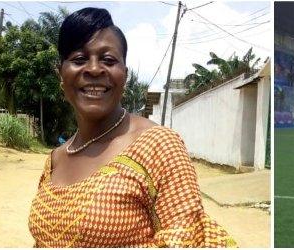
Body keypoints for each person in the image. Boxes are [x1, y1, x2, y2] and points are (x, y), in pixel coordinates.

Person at [27, 8, 235, 247]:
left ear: (124, 75)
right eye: (79, 59)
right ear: (61, 75)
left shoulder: (158, 146)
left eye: (108, 60)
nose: (94, 69)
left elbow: (185, 241)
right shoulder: (55, 158)